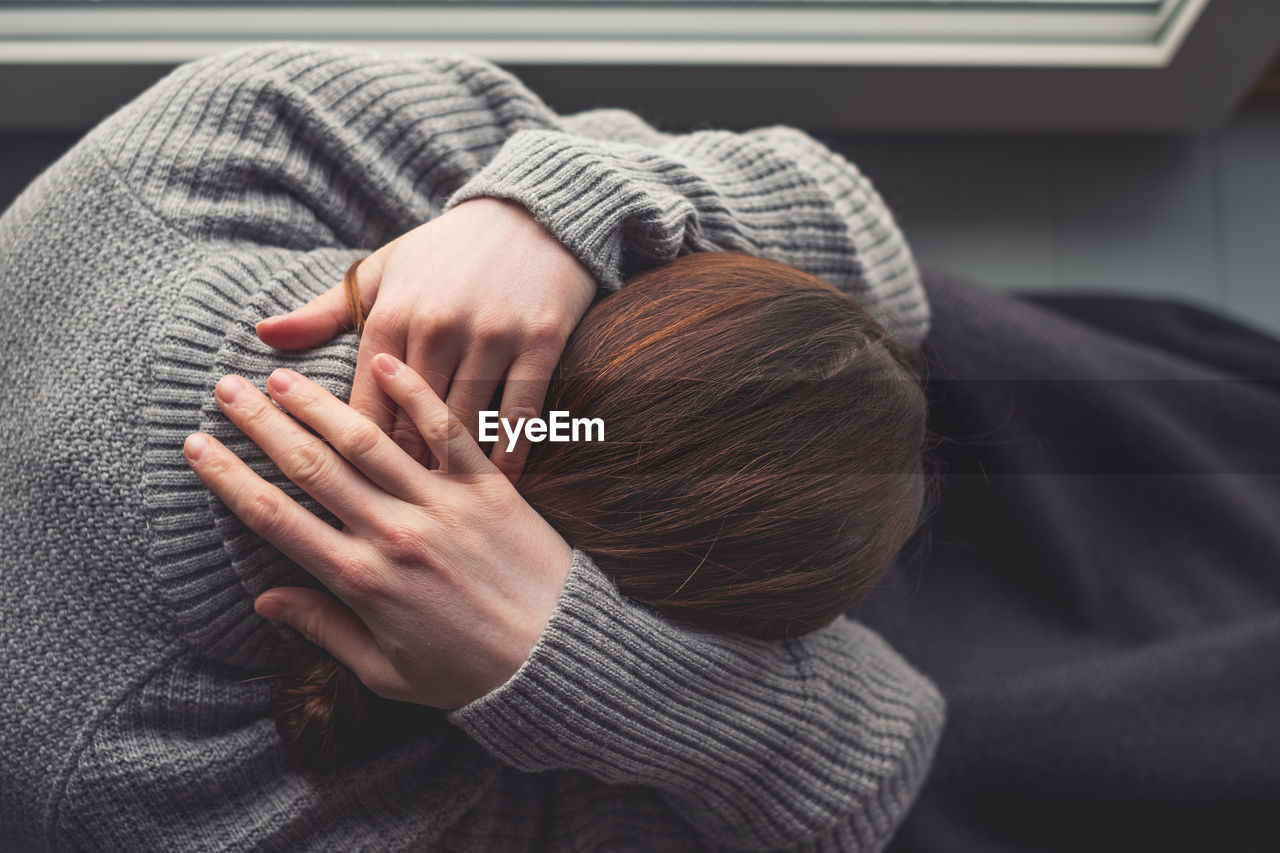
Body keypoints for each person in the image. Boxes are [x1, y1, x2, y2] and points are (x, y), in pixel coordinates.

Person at [0, 42, 941, 851]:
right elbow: (878, 766)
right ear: (657, 629)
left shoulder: (220, 135)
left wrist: (557, 208)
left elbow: (881, 268)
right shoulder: (145, 771)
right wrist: (584, 670)